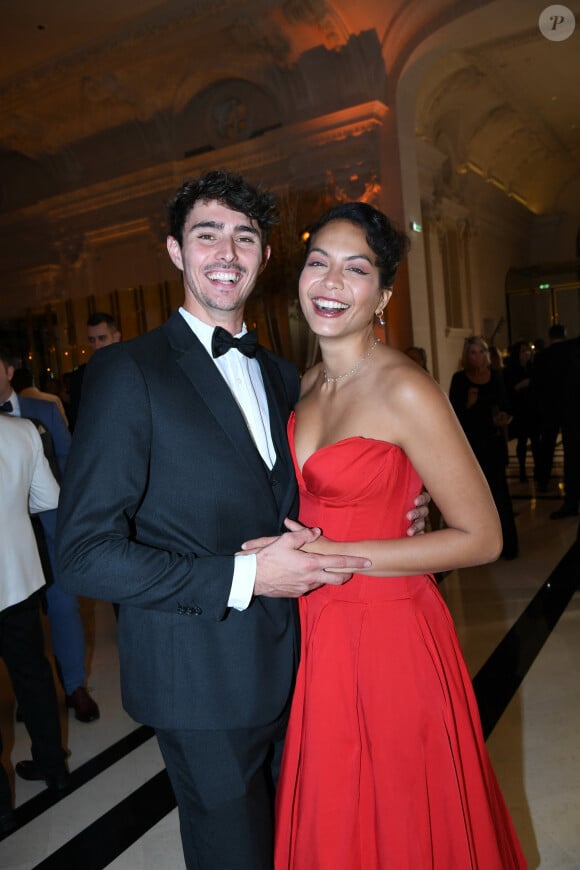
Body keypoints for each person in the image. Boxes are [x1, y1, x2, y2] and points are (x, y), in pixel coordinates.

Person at [56, 171, 429, 870]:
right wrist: (246, 574)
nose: (226, 251)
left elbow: (314, 491)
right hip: (197, 679)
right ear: (175, 251)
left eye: (244, 236)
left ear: (263, 256)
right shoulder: (127, 373)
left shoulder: (288, 377)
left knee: (299, 847)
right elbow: (83, 553)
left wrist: (403, 497)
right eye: (207, 234)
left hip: (302, 664)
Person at [238, 202, 525, 869]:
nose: (331, 282)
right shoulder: (300, 386)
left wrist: (332, 551)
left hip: (390, 630)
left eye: (355, 269)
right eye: (318, 263)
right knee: (339, 819)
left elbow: (481, 538)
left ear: (383, 294)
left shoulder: (405, 388)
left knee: (398, 818)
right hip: (319, 629)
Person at [0, 348, 100, 724]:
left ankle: (75, 686)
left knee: (63, 607)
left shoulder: (42, 412)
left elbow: (72, 465)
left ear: (10, 370)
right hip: (7, 543)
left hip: (49, 529)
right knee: (18, 623)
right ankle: (34, 695)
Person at [0, 414, 70, 837]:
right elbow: (48, 497)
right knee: (34, 677)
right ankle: (53, 766)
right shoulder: (22, 430)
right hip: (19, 582)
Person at [449, 335, 519, 560]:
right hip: (472, 446)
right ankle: (481, 547)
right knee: (477, 497)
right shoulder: (460, 379)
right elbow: (454, 417)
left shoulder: (496, 376)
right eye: (473, 352)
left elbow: (506, 406)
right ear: (466, 356)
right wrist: (469, 404)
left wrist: (505, 417)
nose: (478, 357)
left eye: (481, 352)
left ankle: (508, 545)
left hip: (494, 442)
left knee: (500, 494)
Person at [67, 311, 121, 431]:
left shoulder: (132, 370)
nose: (96, 345)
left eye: (102, 338)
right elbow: (77, 420)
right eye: (92, 340)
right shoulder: (80, 376)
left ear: (116, 337)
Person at [503, 341, 540, 483]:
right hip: (520, 411)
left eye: (528, 351)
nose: (526, 353)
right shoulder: (510, 370)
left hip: (534, 410)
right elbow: (507, 392)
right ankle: (522, 470)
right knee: (522, 441)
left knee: (536, 442)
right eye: (523, 351)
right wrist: (519, 386)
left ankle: (538, 470)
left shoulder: (533, 368)